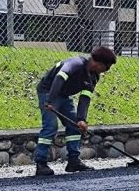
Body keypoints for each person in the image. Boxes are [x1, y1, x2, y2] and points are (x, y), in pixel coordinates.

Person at [33, 47, 117, 176]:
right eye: (107, 67)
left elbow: (85, 99)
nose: (106, 71)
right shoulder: (75, 64)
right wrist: (50, 101)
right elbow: (59, 78)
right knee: (50, 126)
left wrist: (81, 119)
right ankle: (41, 163)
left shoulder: (93, 77)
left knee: (74, 125)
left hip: (64, 95)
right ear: (98, 63)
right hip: (48, 92)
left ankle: (73, 161)